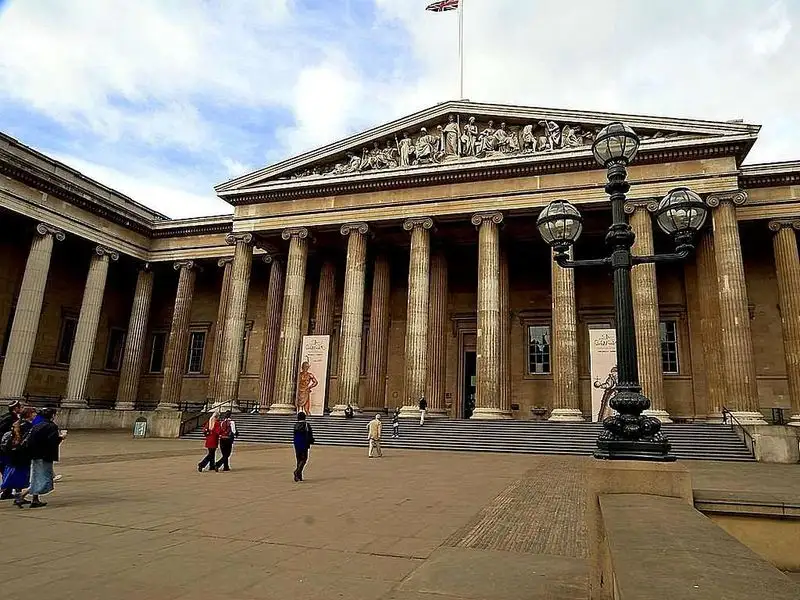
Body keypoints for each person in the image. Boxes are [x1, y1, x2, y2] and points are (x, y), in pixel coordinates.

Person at [15, 408, 65, 508]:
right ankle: (22, 495)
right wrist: (61, 437)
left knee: (36, 477)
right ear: (52, 416)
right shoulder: (51, 426)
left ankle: (34, 499)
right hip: (44, 455)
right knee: (44, 479)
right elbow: (52, 443)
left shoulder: (37, 425)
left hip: (35, 455)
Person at [2, 407, 35, 505]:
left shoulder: (18, 424)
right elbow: (28, 441)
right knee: (12, 479)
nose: (35, 415)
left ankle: (18, 497)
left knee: (16, 478)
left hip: (15, 454)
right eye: (33, 413)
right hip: (22, 455)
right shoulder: (27, 426)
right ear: (29, 414)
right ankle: (17, 496)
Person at [0, 400, 22, 500]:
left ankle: (7, 491)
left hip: (4, 448)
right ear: (15, 409)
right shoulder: (10, 419)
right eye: (19, 407)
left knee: (6, 469)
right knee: (6, 468)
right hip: (5, 449)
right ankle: (6, 491)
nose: (21, 409)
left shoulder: (7, 417)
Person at [292, 412, 314, 482]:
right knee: (304, 459)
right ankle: (297, 472)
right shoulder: (306, 425)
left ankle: (299, 476)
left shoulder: (296, 425)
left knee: (298, 459)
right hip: (304, 443)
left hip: (296, 443)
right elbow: (309, 434)